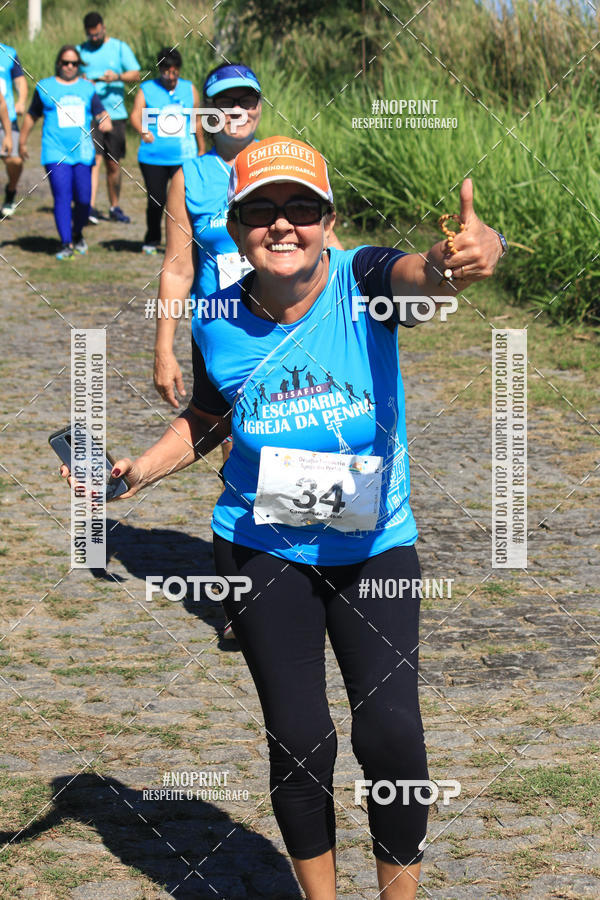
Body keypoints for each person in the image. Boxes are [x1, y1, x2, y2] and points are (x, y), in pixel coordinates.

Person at [60, 136, 505, 898]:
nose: (282, 224)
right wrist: (138, 470)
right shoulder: (214, 319)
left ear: (329, 221)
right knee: (301, 741)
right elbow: (208, 417)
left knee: (391, 731)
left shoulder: (365, 282)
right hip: (262, 548)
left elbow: (423, 281)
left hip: (373, 549)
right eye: (260, 210)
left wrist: (458, 259)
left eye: (302, 207)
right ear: (234, 229)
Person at [153, 62, 342, 410]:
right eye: (226, 102)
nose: (238, 110)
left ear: (259, 107)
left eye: (247, 100)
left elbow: (327, 244)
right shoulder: (188, 178)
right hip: (224, 326)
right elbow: (178, 270)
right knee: (232, 439)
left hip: (291, 322)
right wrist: (164, 350)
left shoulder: (283, 162)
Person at [19, 46, 112, 260]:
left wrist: (105, 121)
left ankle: (77, 232)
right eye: (65, 62)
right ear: (58, 63)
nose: (69, 67)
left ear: (78, 65)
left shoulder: (88, 88)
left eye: (74, 63)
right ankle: (66, 243)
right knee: (62, 196)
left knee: (83, 200)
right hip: (55, 152)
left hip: (83, 152)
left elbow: (100, 112)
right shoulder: (45, 87)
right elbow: (32, 116)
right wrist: (22, 142)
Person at [130, 47, 204, 255]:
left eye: (174, 72)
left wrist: (202, 149)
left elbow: (196, 120)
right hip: (154, 157)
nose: (170, 77)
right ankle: (152, 238)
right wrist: (143, 132)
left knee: (185, 201)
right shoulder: (147, 89)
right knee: (157, 200)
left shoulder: (189, 89)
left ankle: (185, 240)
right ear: (160, 69)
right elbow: (135, 115)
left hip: (185, 155)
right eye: (166, 72)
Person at [77, 10, 140, 224]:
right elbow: (69, 78)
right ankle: (90, 207)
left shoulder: (119, 48)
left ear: (103, 28)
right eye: (90, 35)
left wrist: (117, 77)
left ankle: (114, 206)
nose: (94, 38)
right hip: (89, 115)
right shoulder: (80, 51)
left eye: (97, 34)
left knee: (113, 164)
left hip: (116, 115)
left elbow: (136, 74)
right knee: (92, 160)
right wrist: (83, 81)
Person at [0, 40, 27, 216]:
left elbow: (20, 81)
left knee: (14, 161)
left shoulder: (8, 53)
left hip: (6, 117)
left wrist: (21, 101)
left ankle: (11, 191)